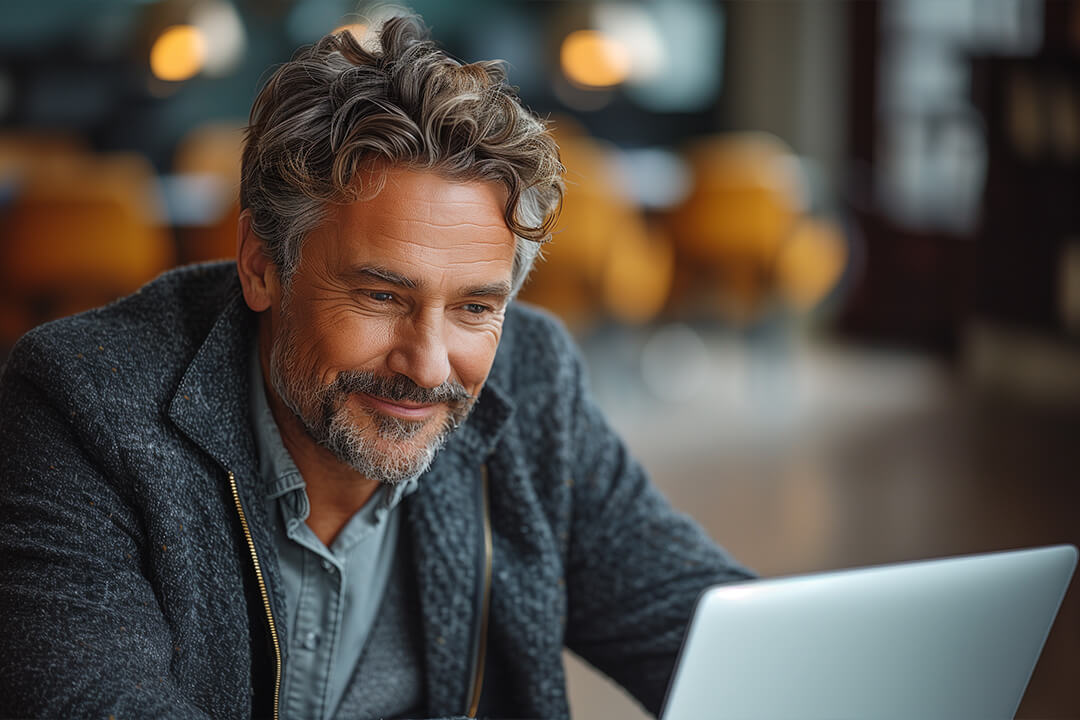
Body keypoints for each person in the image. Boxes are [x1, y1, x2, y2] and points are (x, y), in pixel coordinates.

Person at [0, 15, 751, 720]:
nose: (427, 368)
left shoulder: (535, 377)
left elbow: (700, 628)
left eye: (475, 309)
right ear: (262, 264)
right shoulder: (79, 404)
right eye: (381, 296)